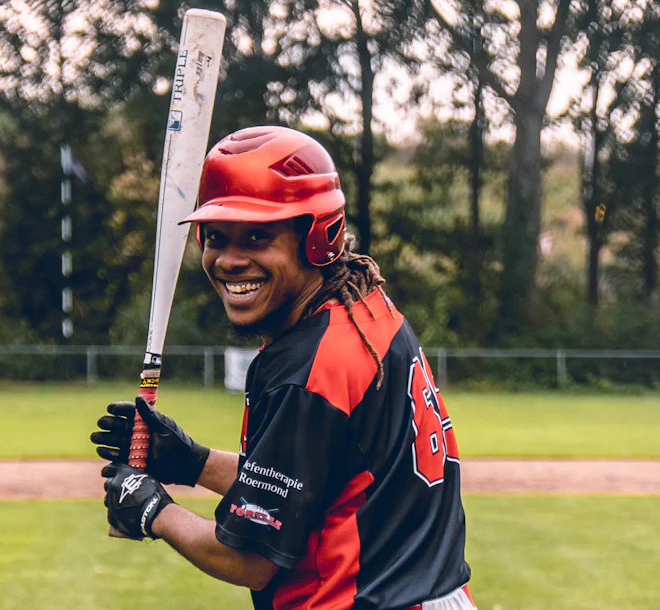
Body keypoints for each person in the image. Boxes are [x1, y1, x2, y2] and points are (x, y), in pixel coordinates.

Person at [92, 126, 474, 610]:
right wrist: (193, 462)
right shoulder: (366, 310)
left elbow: (250, 559)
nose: (230, 260)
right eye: (215, 237)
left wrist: (153, 510)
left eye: (257, 236)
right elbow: (313, 491)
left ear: (317, 236)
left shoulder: (310, 367)